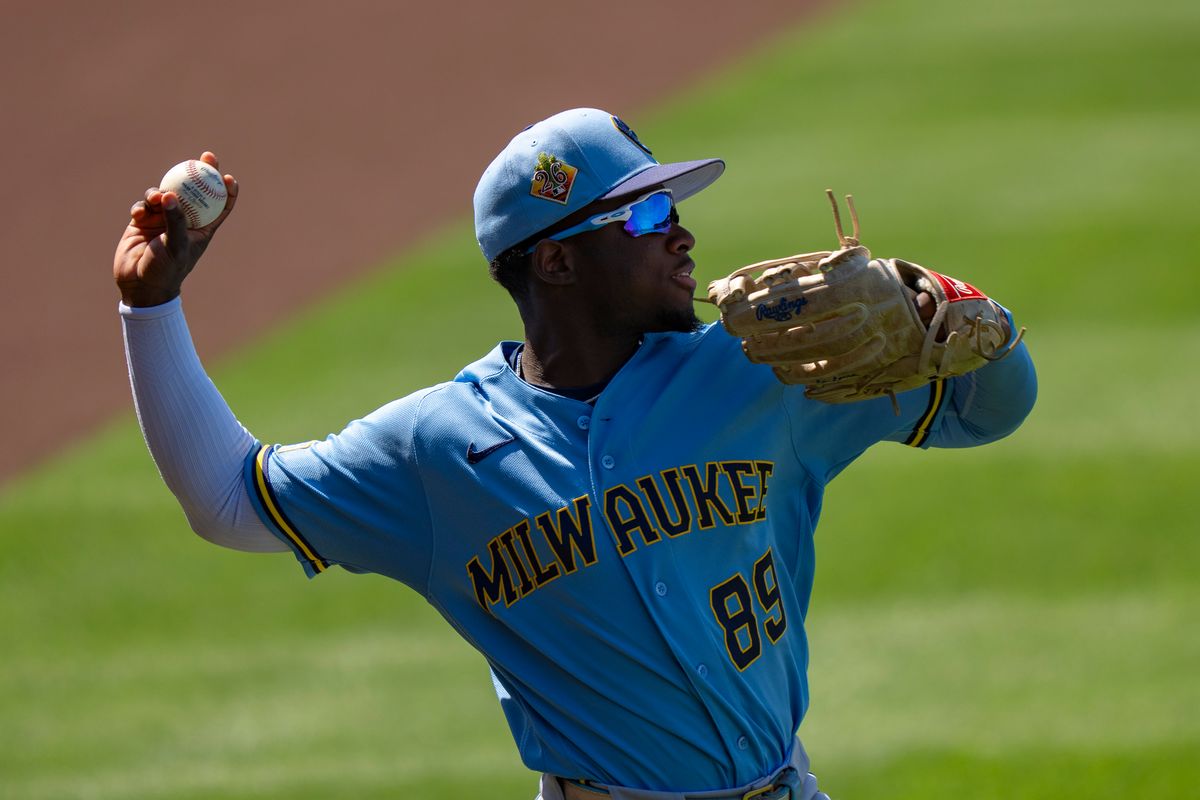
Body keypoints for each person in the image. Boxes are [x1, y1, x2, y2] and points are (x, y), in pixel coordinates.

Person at [114, 108, 1037, 800]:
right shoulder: (436, 451)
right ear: (552, 262)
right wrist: (149, 310)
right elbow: (229, 500)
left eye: (671, 205)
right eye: (639, 218)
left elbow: (988, 412)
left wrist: (960, 314)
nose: (678, 230)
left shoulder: (758, 371)